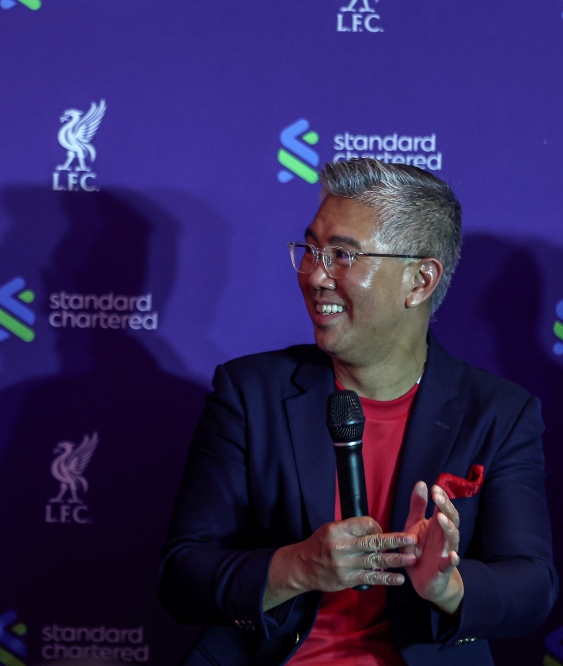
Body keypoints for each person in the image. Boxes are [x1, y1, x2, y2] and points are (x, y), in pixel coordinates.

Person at [158, 158, 557, 665]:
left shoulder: (499, 413)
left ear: (420, 281)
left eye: (343, 255)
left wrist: (448, 584)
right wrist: (298, 566)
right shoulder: (249, 392)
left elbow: (532, 585)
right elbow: (181, 575)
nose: (314, 275)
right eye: (310, 249)